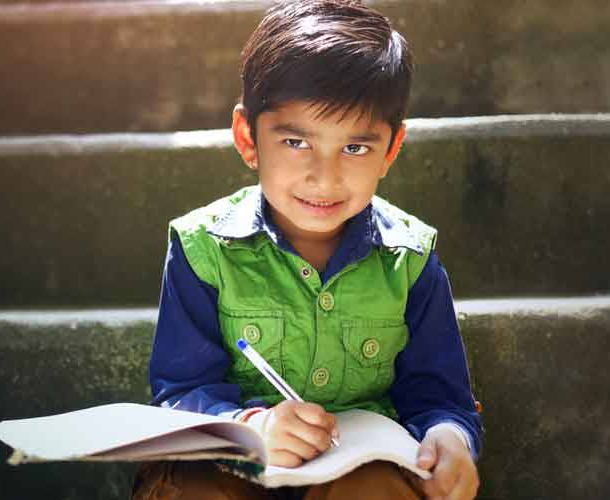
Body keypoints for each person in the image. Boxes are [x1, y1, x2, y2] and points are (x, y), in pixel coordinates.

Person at [132, 1, 483, 499]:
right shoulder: (202, 249)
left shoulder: (410, 259)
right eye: (297, 142)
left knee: (377, 489)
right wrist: (251, 427)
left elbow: (440, 396)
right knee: (192, 485)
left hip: (356, 472)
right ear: (247, 138)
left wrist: (451, 439)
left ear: (392, 149)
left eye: (355, 148)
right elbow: (182, 393)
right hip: (234, 468)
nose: (325, 176)